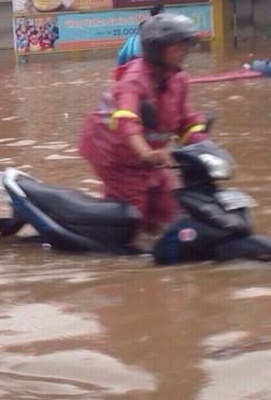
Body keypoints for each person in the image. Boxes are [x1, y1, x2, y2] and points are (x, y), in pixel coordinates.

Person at [79, 12, 208, 234]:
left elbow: (186, 121)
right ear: (158, 48)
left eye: (186, 45)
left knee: (173, 208)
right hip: (114, 154)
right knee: (133, 217)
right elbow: (126, 121)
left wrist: (204, 147)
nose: (184, 51)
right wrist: (146, 153)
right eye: (177, 46)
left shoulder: (178, 78)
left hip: (150, 157)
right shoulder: (134, 79)